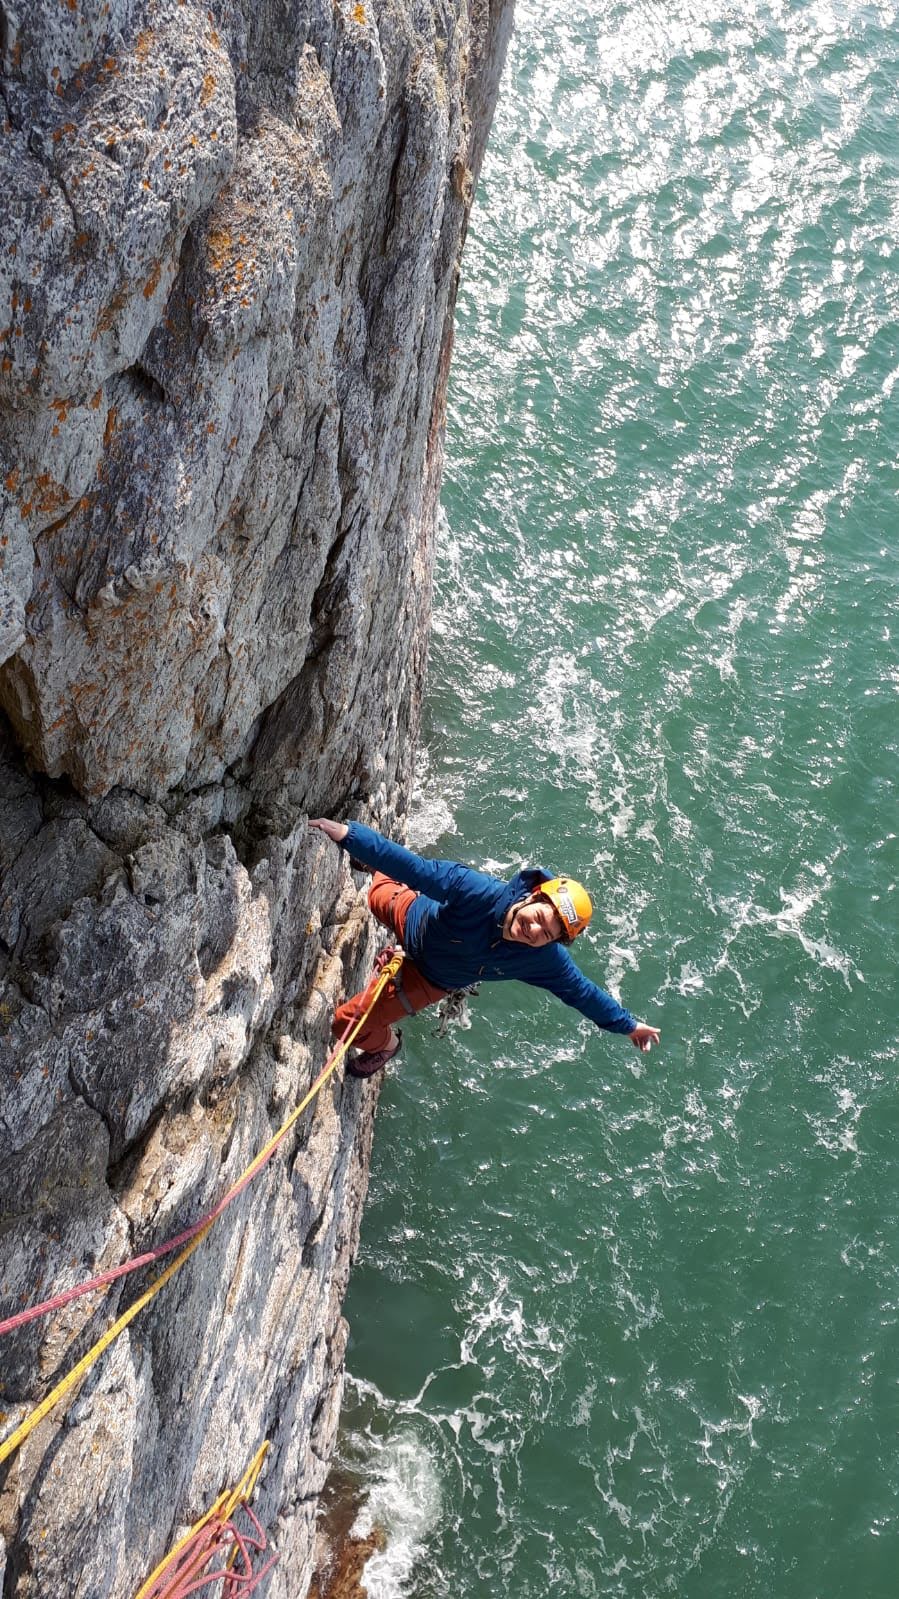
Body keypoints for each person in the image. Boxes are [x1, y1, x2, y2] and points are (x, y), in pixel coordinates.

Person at [309, 817, 661, 1077]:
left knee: (345, 1025)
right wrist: (349, 836)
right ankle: (376, 867)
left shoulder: (543, 960)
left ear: (554, 942)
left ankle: (387, 1045)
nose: (534, 929)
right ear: (533, 895)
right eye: (540, 915)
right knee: (376, 892)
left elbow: (582, 993)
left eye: (548, 933)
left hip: (431, 979)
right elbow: (416, 869)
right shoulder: (474, 889)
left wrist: (628, 1026)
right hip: (416, 918)